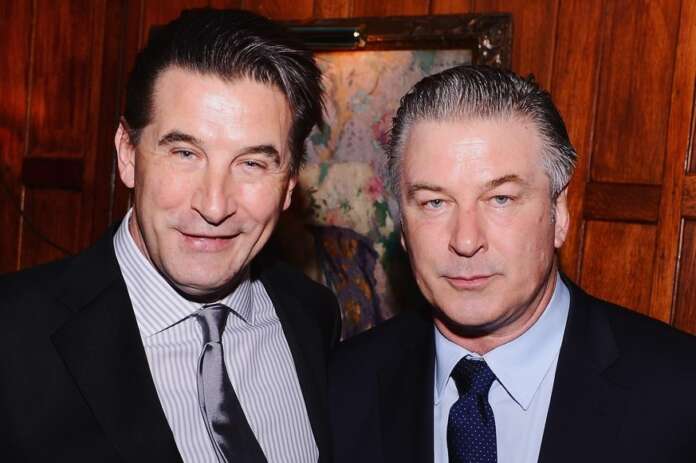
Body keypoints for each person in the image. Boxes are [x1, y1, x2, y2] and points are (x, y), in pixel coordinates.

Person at [0, 9, 340, 463]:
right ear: (127, 154)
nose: (214, 206)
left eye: (252, 164)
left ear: (289, 184)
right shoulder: (13, 337)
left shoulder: (313, 316)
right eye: (185, 153)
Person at [328, 65, 696, 463]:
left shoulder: (680, 394)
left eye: (500, 199)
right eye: (435, 203)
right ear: (403, 223)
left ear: (559, 212)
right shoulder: (341, 388)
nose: (466, 241)